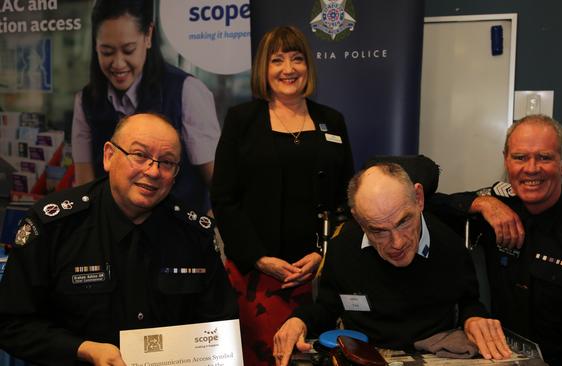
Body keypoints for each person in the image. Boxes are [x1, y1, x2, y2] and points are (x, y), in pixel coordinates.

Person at [0, 113, 238, 366]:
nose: (153, 171)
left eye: (167, 162)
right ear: (109, 156)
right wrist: (83, 349)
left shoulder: (194, 233)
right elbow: (11, 323)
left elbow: (220, 325)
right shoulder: (54, 225)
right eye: (140, 155)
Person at [433, 115, 562, 365]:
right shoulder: (494, 207)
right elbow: (430, 206)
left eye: (544, 157)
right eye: (520, 157)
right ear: (506, 160)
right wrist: (481, 203)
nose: (531, 168)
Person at [211, 26, 354, 365]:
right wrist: (259, 258)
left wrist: (323, 254)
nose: (288, 69)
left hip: (318, 277)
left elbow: (347, 200)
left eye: (296, 59)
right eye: (277, 60)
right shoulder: (241, 120)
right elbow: (224, 198)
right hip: (255, 277)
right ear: (264, 68)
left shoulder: (332, 121)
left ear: (308, 66)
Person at [273, 163, 512, 366]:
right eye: (378, 231)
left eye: (404, 222)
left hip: (432, 352)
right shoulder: (343, 247)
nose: (397, 243)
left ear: (418, 199)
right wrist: (299, 320)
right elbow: (328, 306)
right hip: (365, 354)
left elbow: (468, 300)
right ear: (358, 219)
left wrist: (474, 318)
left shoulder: (450, 245)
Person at [72, 0, 220, 212]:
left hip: (178, 229)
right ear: (95, 46)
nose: (118, 63)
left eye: (129, 50)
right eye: (107, 52)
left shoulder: (186, 91)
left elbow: (217, 182)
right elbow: (85, 186)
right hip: (114, 229)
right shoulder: (87, 101)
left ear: (148, 36)